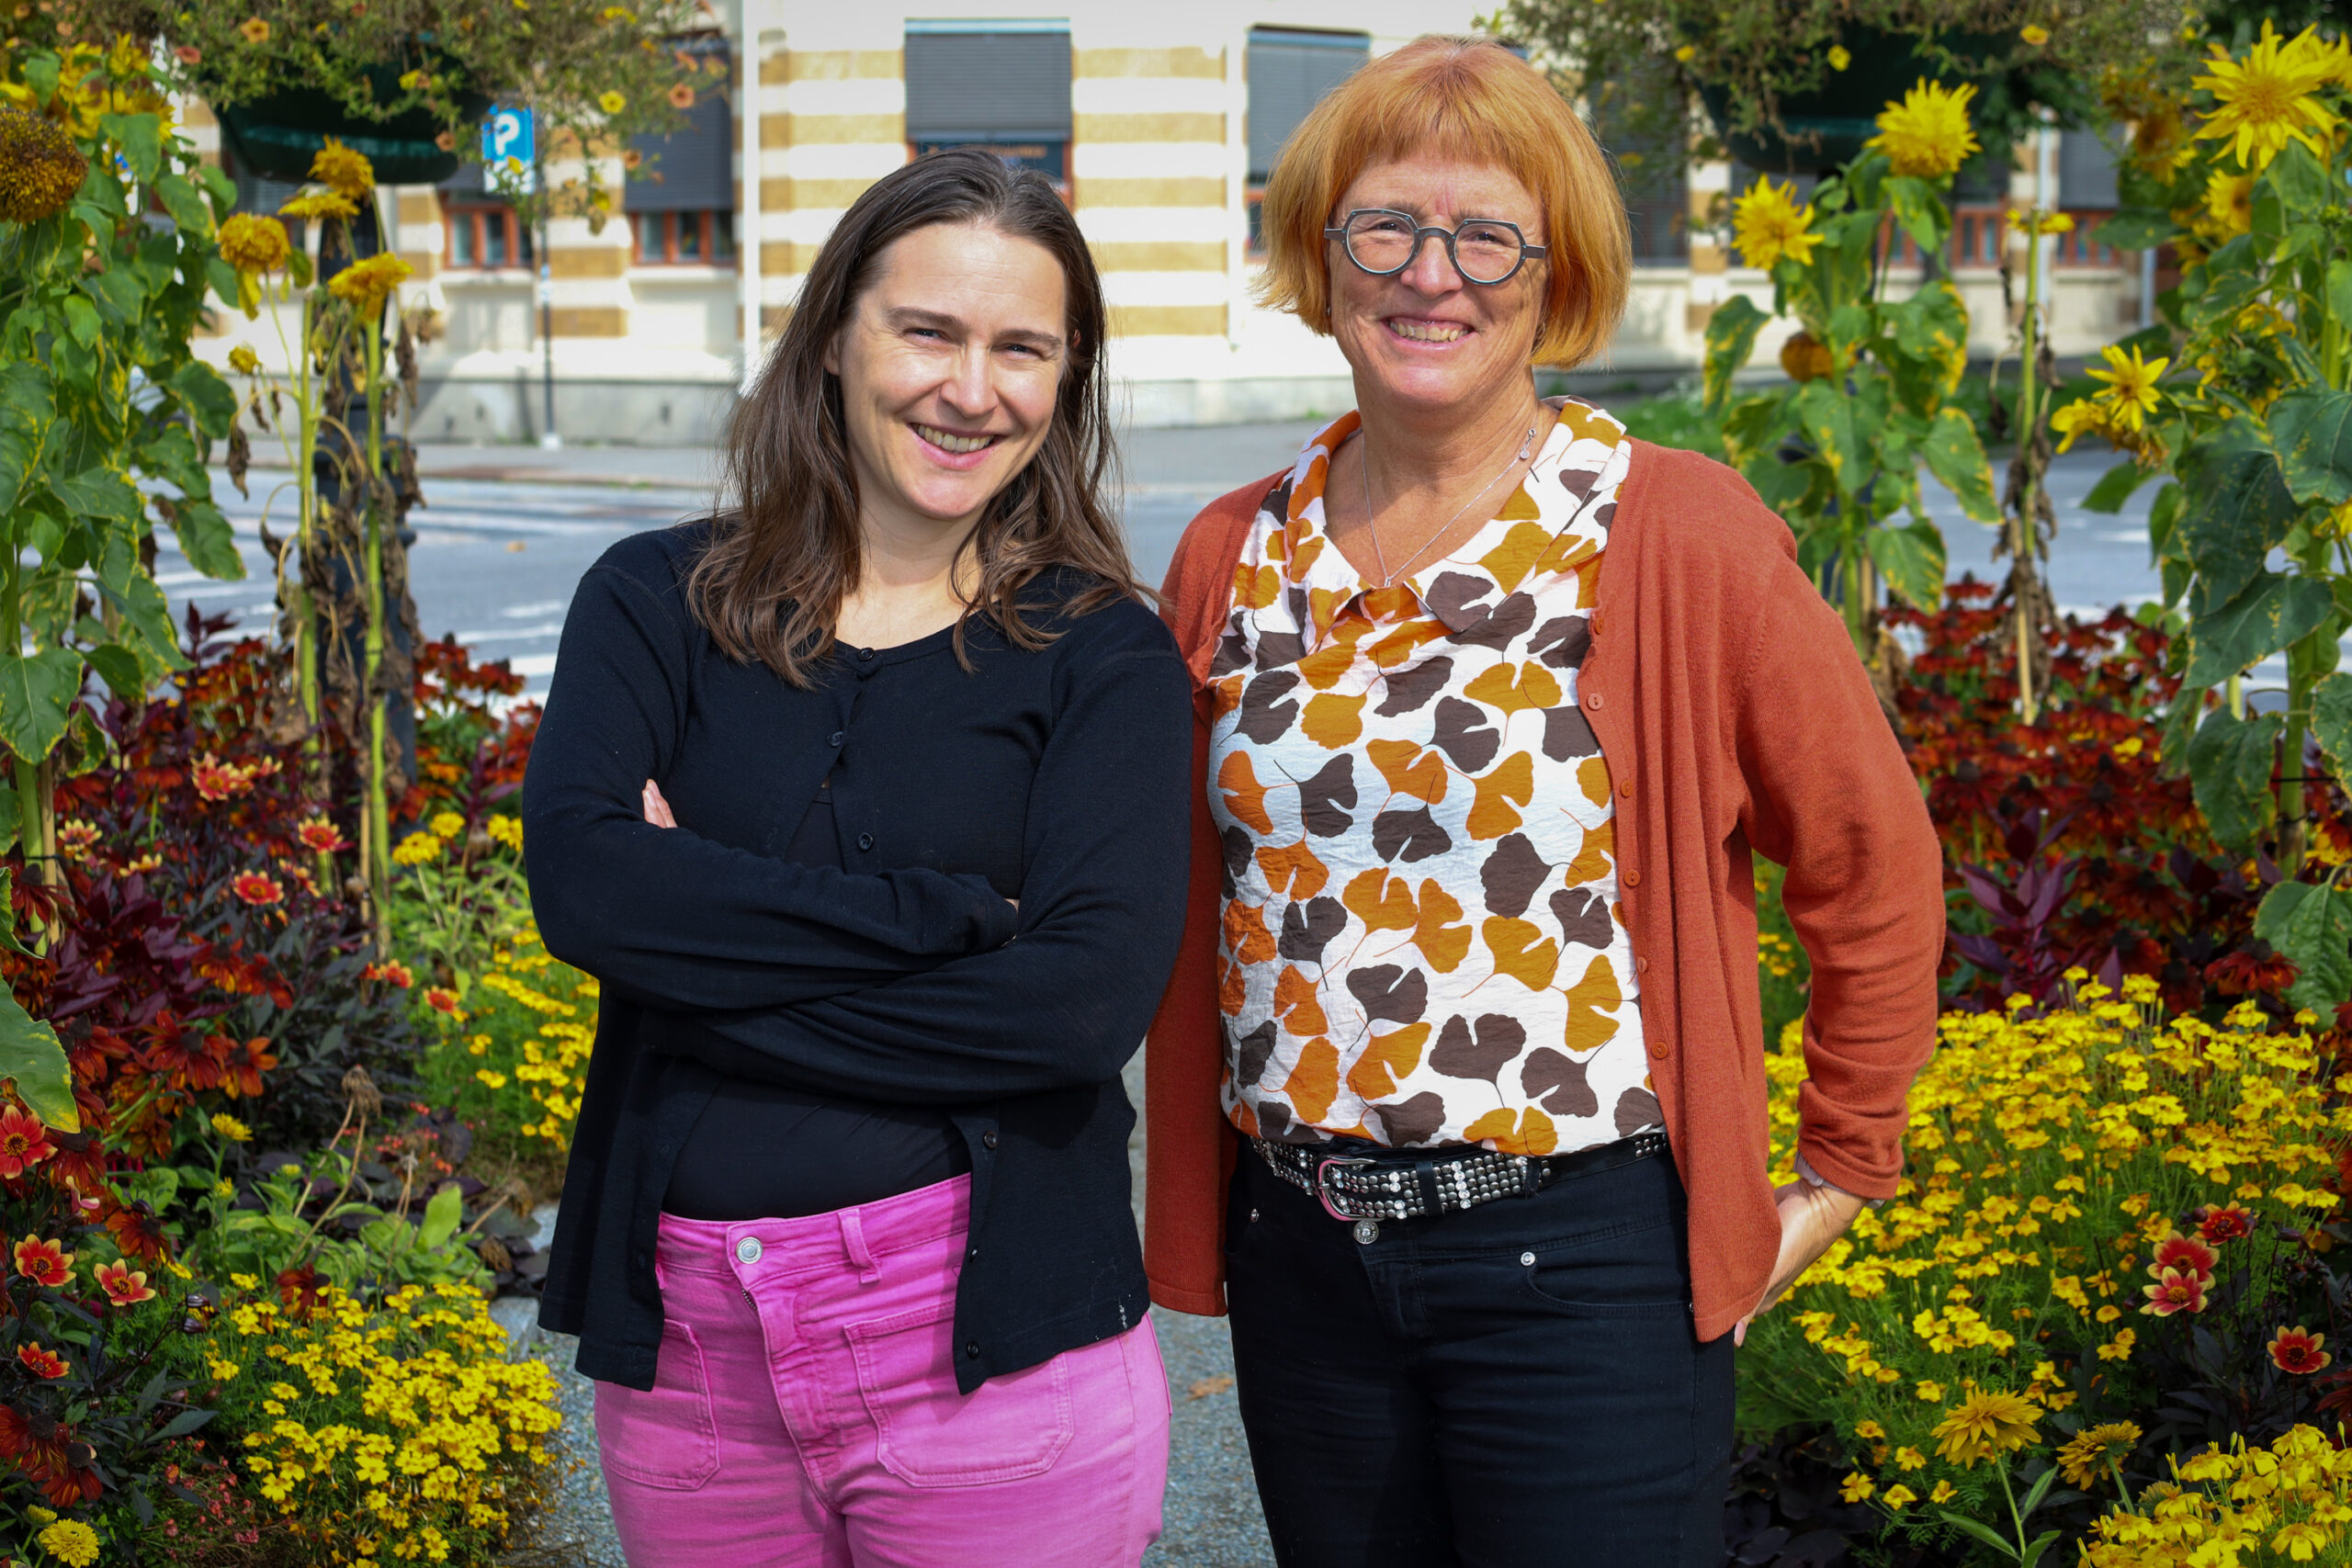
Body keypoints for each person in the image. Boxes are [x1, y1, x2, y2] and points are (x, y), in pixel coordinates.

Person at [1142, 36, 1946, 1568]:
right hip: (1307, 1259)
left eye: (1487, 237)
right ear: (1323, 254)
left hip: (1582, 1264)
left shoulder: (1674, 532)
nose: (1430, 275)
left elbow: (1872, 860)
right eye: (1386, 227)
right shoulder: (1233, 552)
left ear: (1553, 271)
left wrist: (1840, 1171)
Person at [524, 148, 1190, 1568]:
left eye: (1022, 349)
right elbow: (585, 888)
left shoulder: (1104, 658)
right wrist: (950, 919)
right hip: (693, 1359)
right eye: (928, 332)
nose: (972, 390)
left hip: (989, 1360)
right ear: (834, 337)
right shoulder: (652, 603)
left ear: (1066, 379)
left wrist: (688, 959)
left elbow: (1075, 1013)